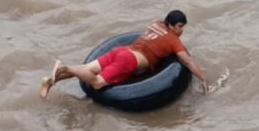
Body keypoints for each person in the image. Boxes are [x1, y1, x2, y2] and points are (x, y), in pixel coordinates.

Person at [39, 10, 211, 99]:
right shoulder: (173, 40)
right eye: (180, 26)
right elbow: (188, 62)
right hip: (129, 61)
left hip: (121, 51)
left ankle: (50, 81)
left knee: (87, 68)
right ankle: (64, 67)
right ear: (171, 26)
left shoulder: (157, 24)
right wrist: (203, 79)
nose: (182, 30)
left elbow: (156, 37)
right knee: (97, 83)